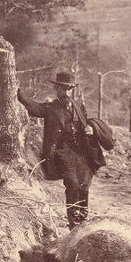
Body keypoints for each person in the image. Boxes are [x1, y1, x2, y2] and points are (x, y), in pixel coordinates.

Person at [18, 71, 104, 229]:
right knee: (72, 184)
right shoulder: (51, 108)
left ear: (73, 90)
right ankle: (73, 222)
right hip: (62, 152)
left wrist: (91, 128)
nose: (66, 92)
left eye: (69, 89)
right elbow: (34, 108)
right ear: (56, 89)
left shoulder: (79, 106)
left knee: (84, 184)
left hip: (81, 152)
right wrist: (18, 93)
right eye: (63, 89)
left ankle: (82, 219)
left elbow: (86, 122)